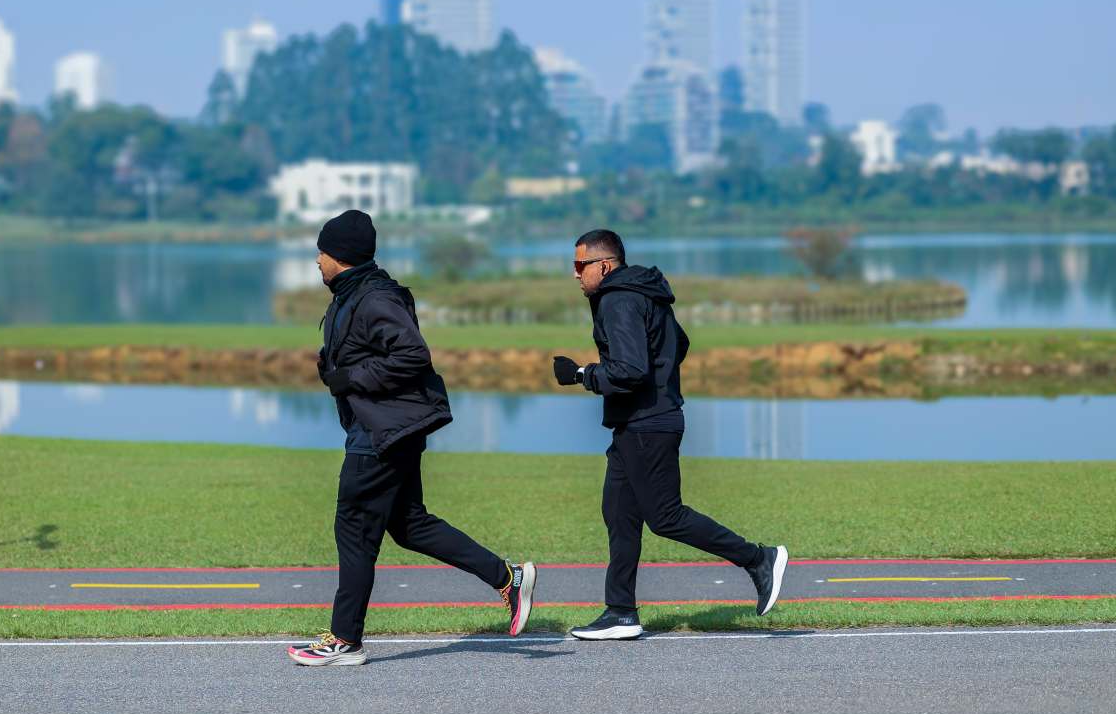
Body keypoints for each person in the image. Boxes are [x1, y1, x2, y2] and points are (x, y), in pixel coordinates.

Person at [287, 210, 536, 666]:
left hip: (381, 432)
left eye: (320, 253)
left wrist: (351, 377)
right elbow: (364, 352)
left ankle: (345, 639)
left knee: (354, 527)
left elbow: (412, 355)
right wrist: (334, 368)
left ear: (340, 255)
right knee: (408, 524)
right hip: (383, 427)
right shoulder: (352, 293)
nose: (317, 261)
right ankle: (507, 577)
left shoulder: (374, 297)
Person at [552, 229, 787, 640]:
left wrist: (582, 374)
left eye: (579, 265)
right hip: (641, 422)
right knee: (619, 513)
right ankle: (621, 612)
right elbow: (679, 342)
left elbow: (629, 370)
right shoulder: (645, 292)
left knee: (665, 517)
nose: (575, 274)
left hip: (648, 424)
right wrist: (659, 376)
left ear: (603, 266)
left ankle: (758, 559)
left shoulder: (617, 298)